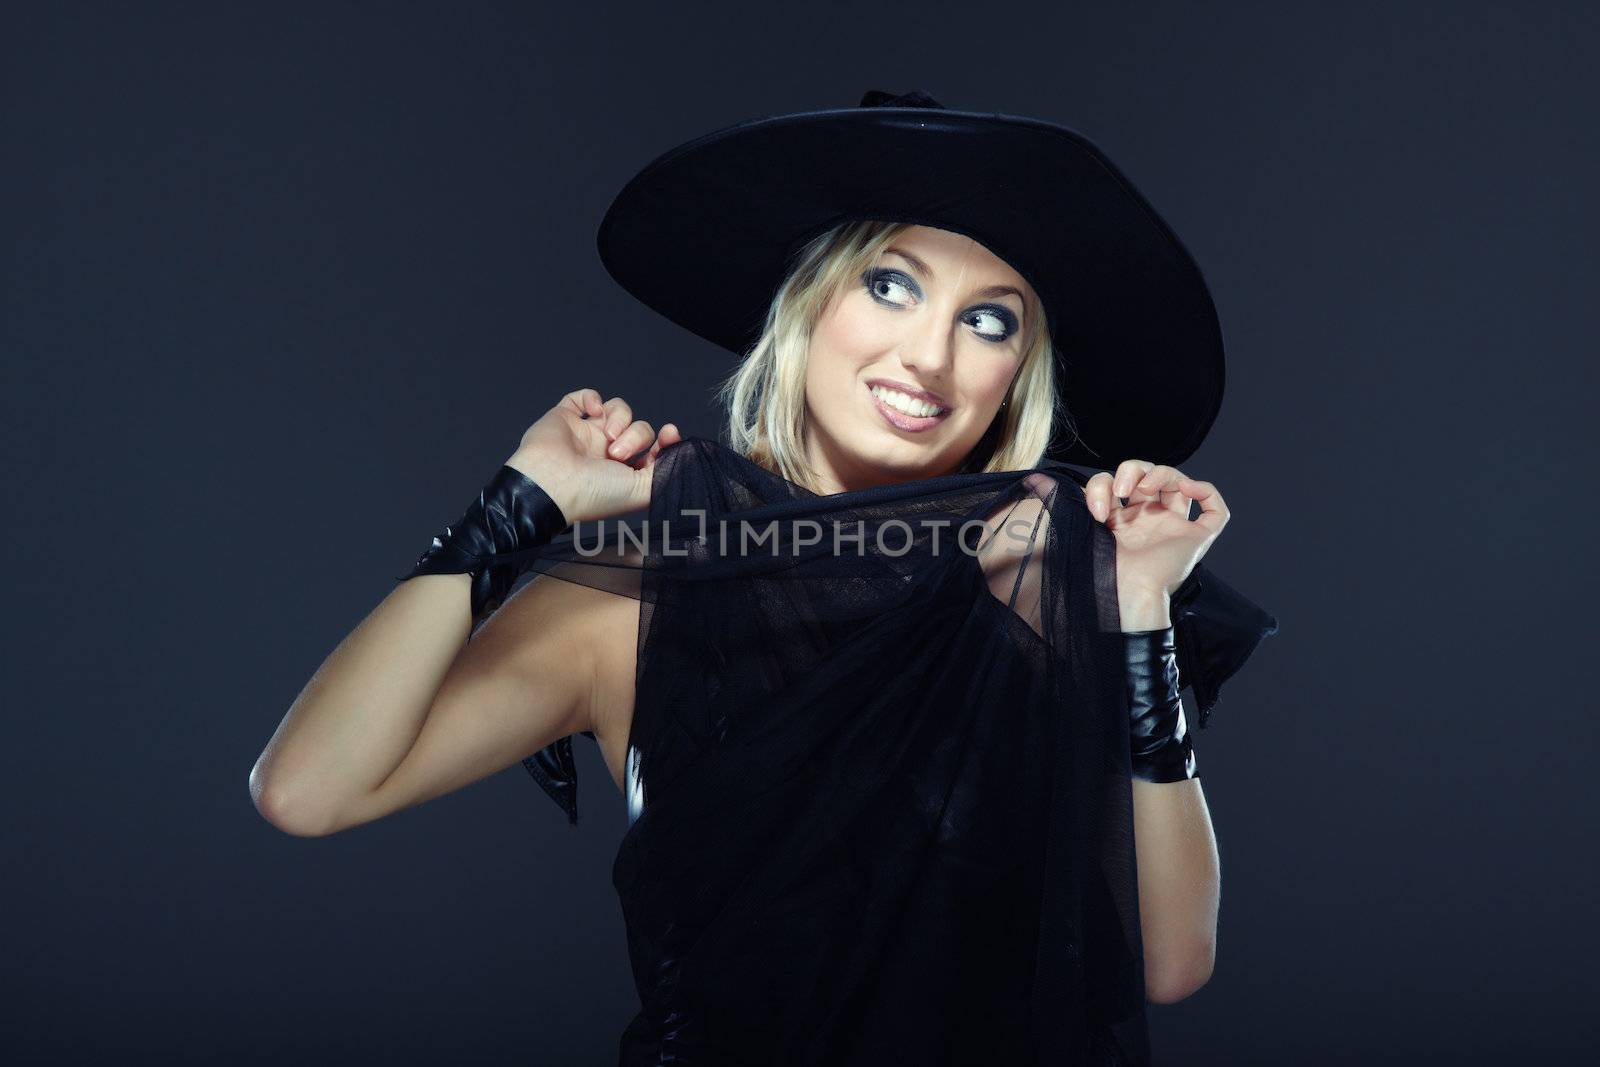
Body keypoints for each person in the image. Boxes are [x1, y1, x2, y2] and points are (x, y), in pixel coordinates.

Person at [249, 90, 1279, 1065]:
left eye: (989, 320)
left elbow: (1166, 958)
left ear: (1017, 373)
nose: (929, 356)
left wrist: (1135, 612)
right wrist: (517, 507)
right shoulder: (644, 590)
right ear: (807, 302)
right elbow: (310, 789)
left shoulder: (1041, 580)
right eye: (891, 284)